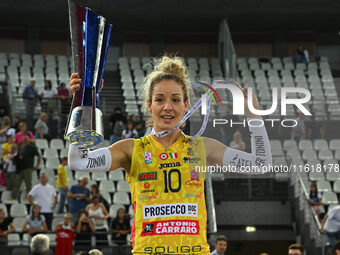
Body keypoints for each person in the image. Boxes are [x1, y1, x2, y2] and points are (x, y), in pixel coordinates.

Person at [68, 56, 272, 254]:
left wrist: (254, 117)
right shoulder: (132, 149)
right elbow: (78, 161)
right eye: (159, 99)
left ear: (185, 105)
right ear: (149, 105)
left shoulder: (202, 148)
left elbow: (261, 164)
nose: (168, 107)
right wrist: (82, 106)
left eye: (175, 100)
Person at [11, 135, 41, 200]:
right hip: (20, 169)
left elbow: (38, 156)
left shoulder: (32, 147)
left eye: (26, 139)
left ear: (28, 140)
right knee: (16, 183)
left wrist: (37, 166)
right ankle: (13, 197)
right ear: (22, 140)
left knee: (28, 184)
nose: (25, 140)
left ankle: (28, 198)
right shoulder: (21, 148)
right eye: (24, 139)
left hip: (28, 168)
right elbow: (18, 157)